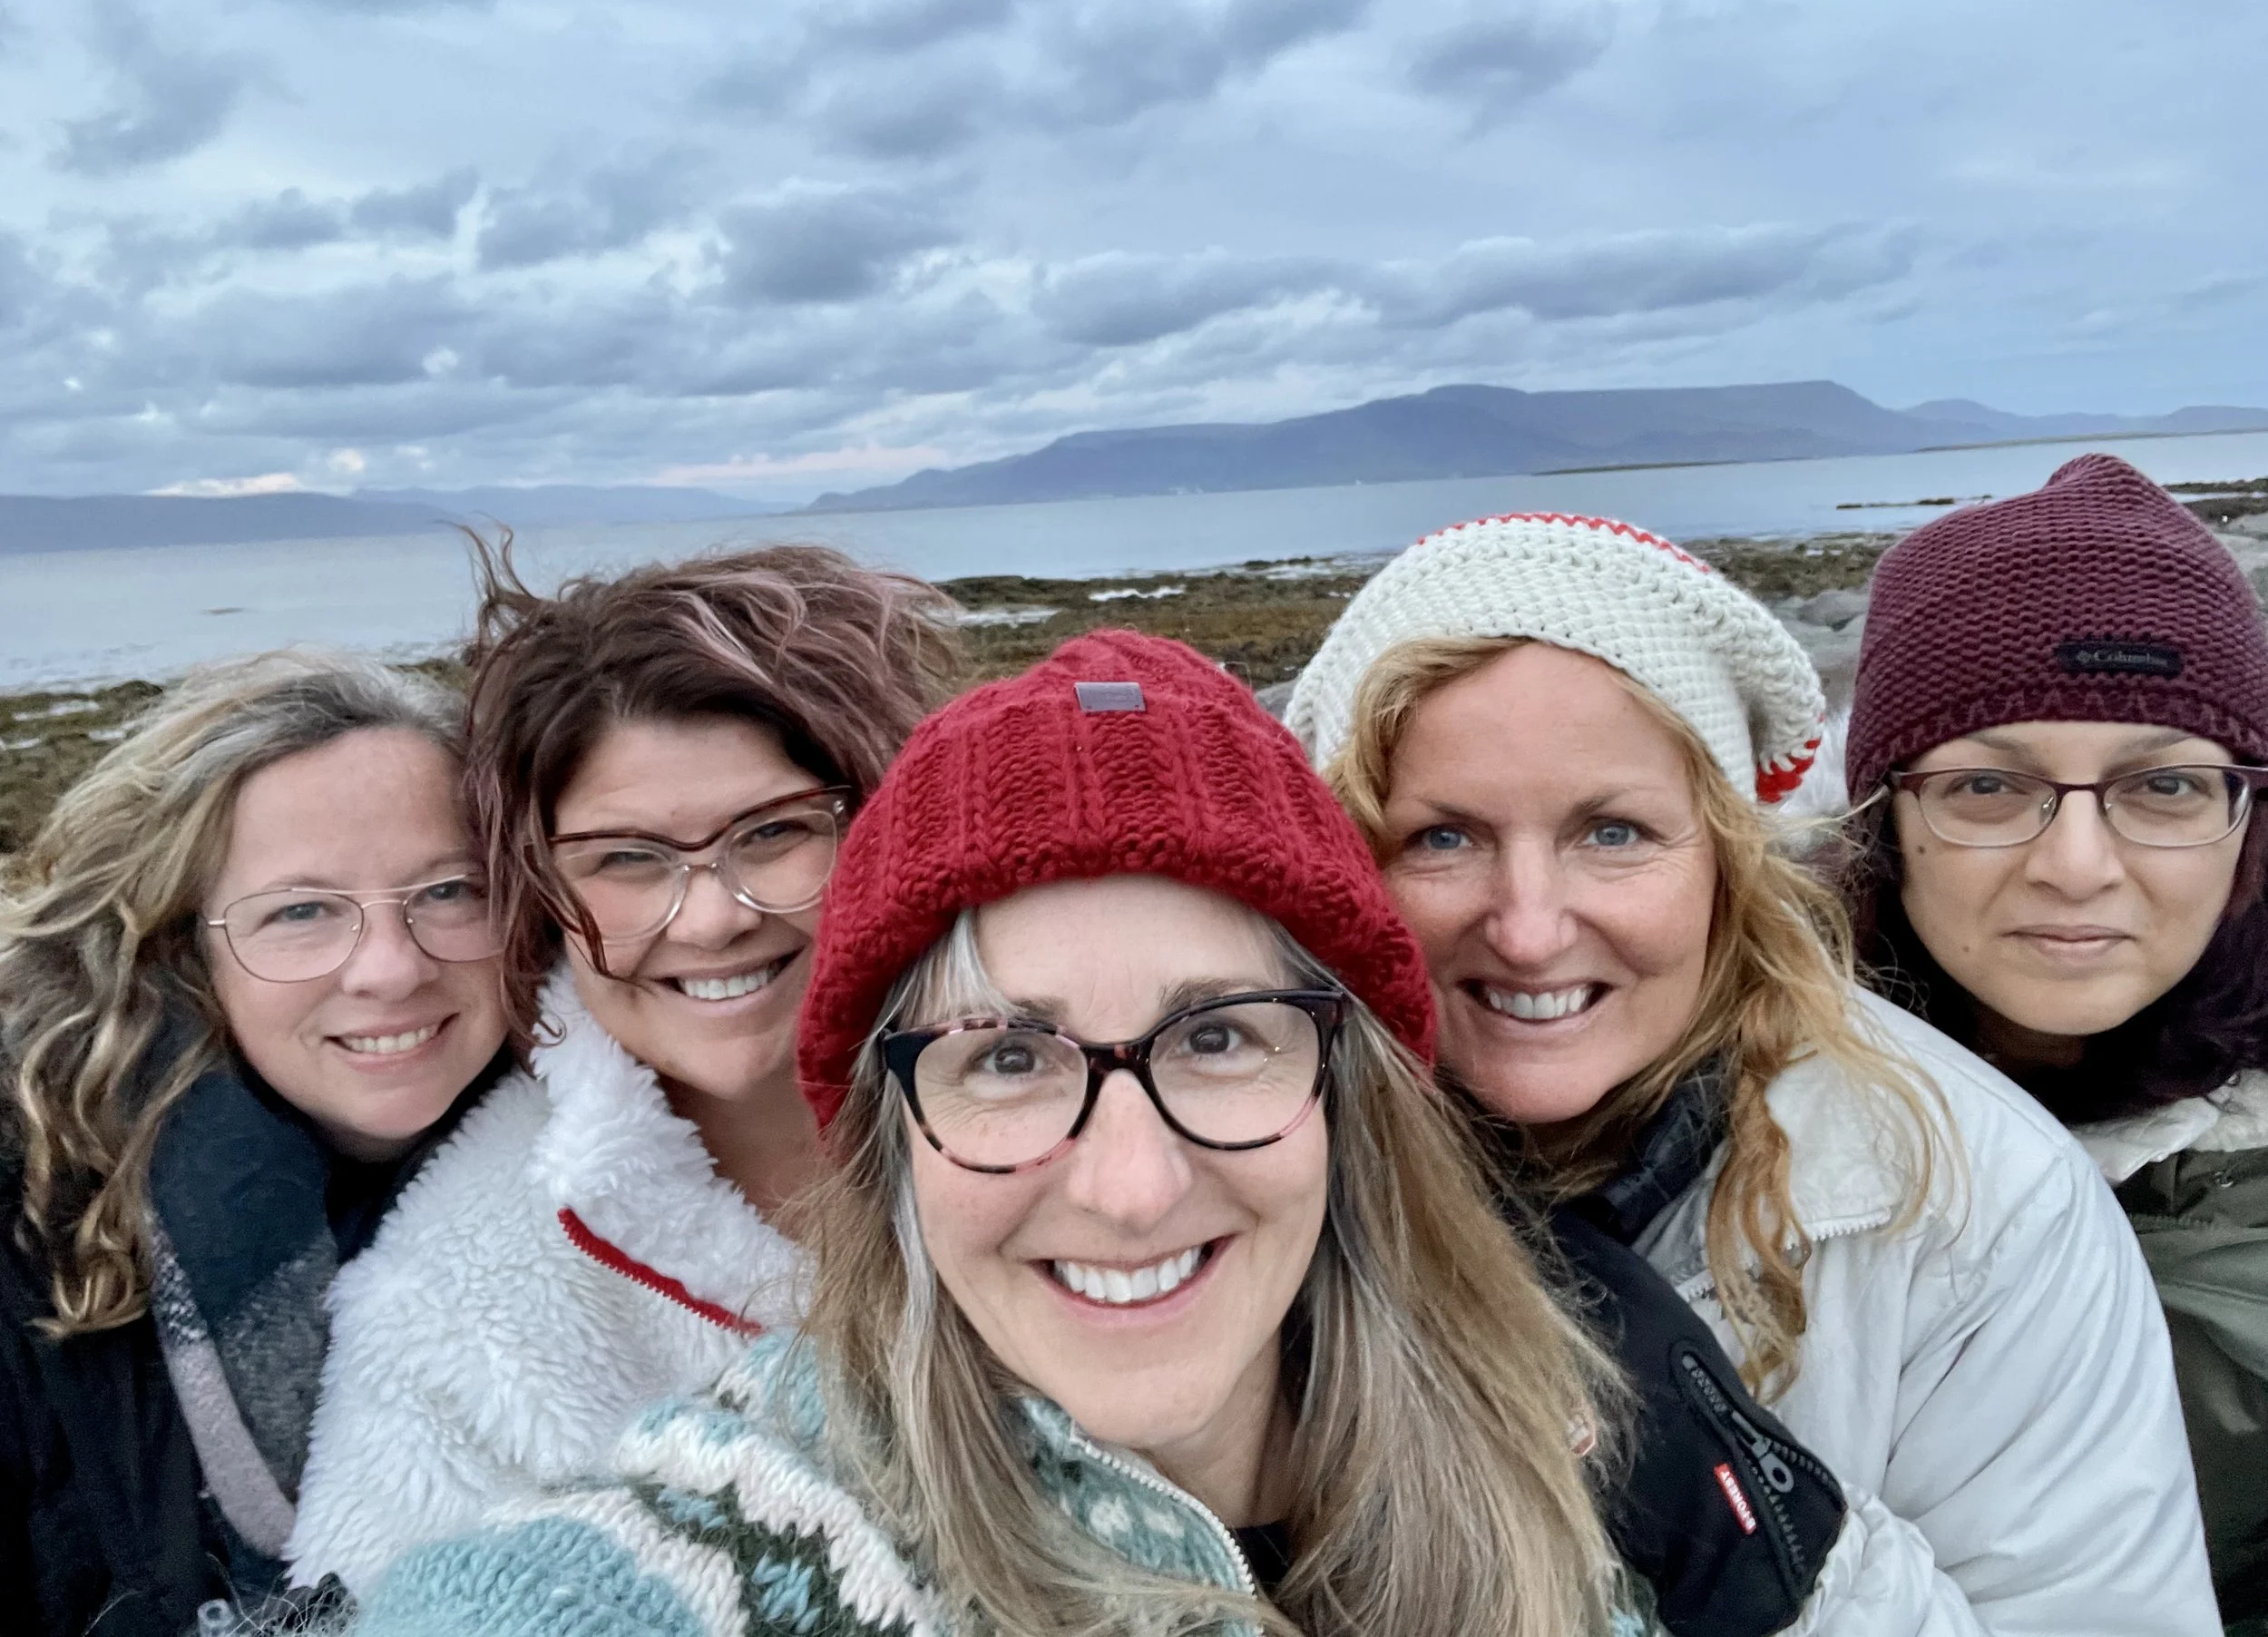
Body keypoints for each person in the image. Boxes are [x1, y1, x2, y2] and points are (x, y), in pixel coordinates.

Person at [347, 630, 1664, 1637]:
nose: (1135, 1185)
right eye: (1010, 1057)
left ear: (1350, 1088)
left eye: (1217, 1037)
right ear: (890, 1136)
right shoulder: (754, 1545)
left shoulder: (1535, 1437)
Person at [1285, 509, 2218, 1634]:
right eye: (1441, 838)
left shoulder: (1979, 1209)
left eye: (1614, 832)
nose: (1529, 930)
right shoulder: (1214, 1171)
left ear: (1727, 862)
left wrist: (1763, 1547)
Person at [284, 544, 959, 1594]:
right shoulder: (456, 1311)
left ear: (882, 818)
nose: (715, 916)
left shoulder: (1076, 1102)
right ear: (540, 892)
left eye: (773, 833)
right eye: (627, 860)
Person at [1839, 452, 2268, 1628]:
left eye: (2166, 787)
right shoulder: (1704, 1090)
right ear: (1887, 813)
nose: (2077, 863)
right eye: (1988, 785)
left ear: (2247, 819)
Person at [0, 651, 510, 1637]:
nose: (390, 968)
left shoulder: (616, 1167)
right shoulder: (31, 1224)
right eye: (301, 912)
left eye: (451, 891)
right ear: (178, 947)